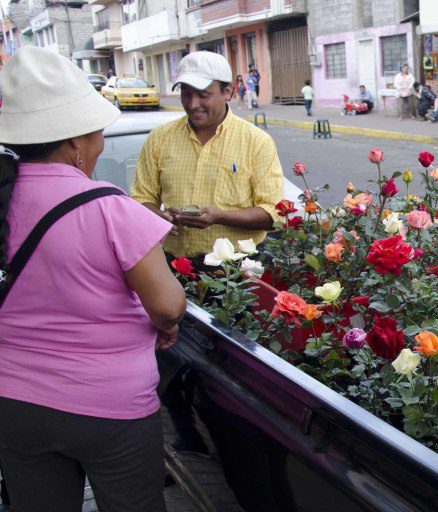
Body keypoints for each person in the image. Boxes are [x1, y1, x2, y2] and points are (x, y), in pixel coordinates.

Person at [0, 46, 185, 512]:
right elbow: (166, 305)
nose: (101, 142)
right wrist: (162, 322)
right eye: (97, 133)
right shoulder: (107, 206)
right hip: (110, 409)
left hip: (13, 402)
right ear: (74, 142)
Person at [130, 51, 284, 262]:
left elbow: (273, 214)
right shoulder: (159, 138)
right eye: (186, 94)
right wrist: (159, 217)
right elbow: (141, 198)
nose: (193, 104)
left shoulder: (256, 142)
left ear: (227, 92)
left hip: (236, 272)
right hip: (174, 264)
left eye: (203, 95)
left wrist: (220, 217)